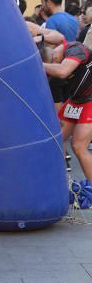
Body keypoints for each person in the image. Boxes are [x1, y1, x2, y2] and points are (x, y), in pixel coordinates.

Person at [44, 40, 92, 180]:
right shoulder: (58, 54)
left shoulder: (75, 49)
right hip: (76, 100)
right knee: (55, 139)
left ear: (55, 56)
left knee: (78, 145)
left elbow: (62, 71)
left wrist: (37, 64)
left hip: (90, 101)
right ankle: (58, 182)